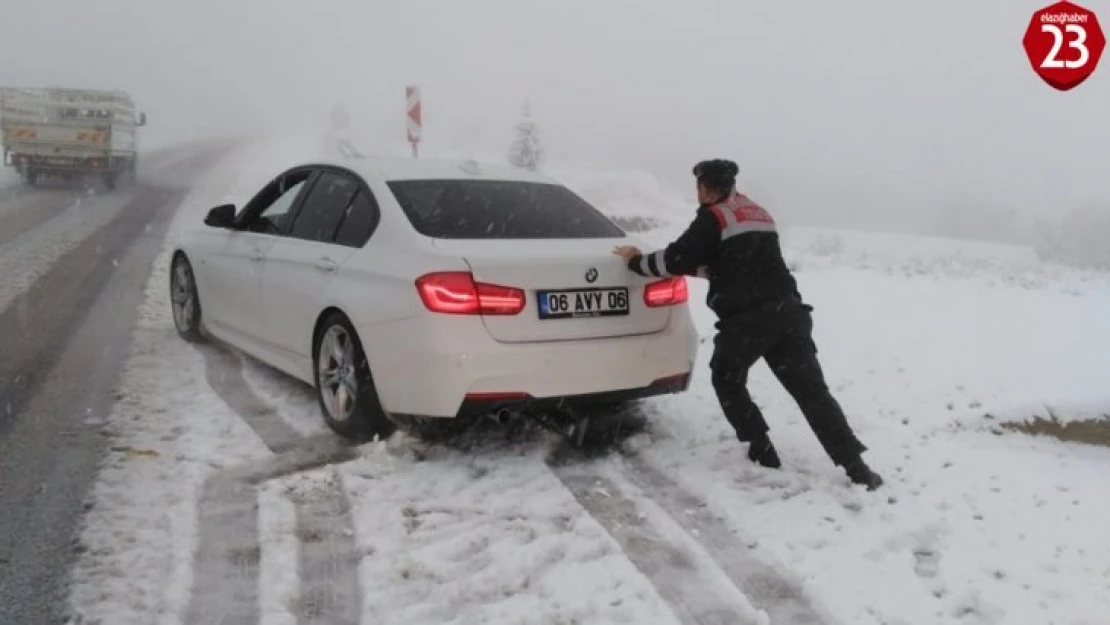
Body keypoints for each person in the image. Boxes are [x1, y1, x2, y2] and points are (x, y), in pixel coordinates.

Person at [613, 159, 884, 490]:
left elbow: (676, 260)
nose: (697, 193)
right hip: (790, 312)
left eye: (699, 187)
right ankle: (857, 468)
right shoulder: (757, 213)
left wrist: (636, 262)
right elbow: (731, 265)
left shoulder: (713, 217)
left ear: (707, 188)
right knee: (812, 392)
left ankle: (761, 448)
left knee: (726, 377)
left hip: (748, 321)